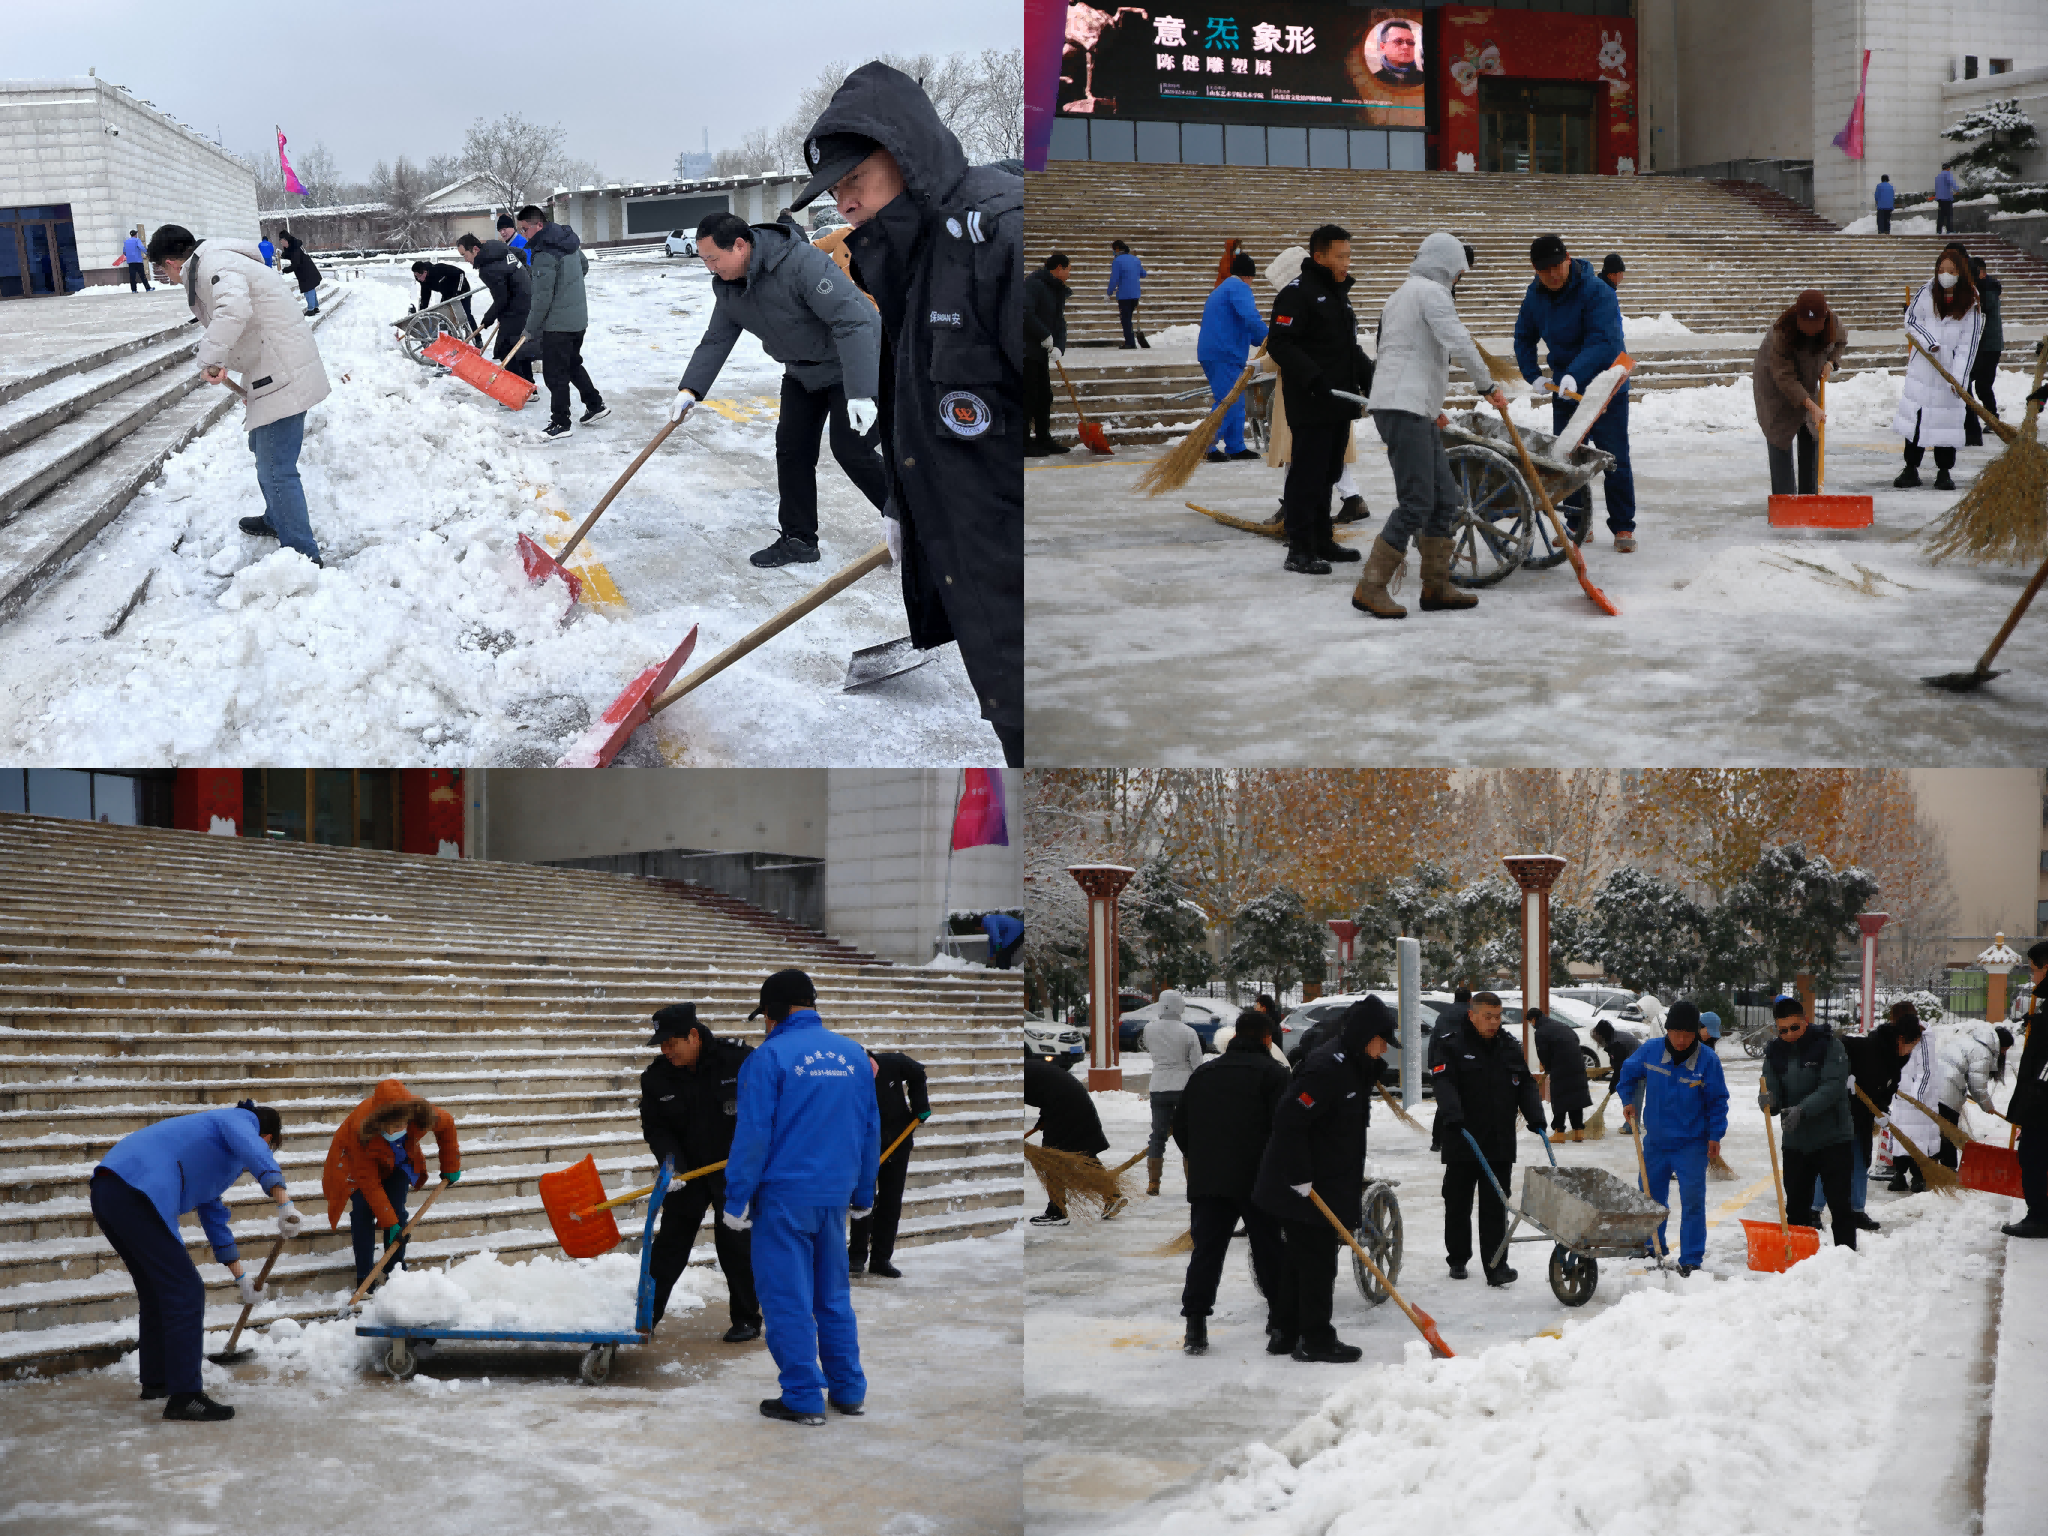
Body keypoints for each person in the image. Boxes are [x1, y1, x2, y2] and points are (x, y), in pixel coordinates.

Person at [791, 61, 1024, 767]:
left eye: (852, 183)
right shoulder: (911, 262)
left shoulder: (1000, 241)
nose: (843, 204)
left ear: (903, 157)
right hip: (985, 583)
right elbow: (923, 408)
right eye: (834, 191)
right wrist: (903, 498)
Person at [673, 211, 885, 568]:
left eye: (714, 258)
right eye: (704, 259)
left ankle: (918, 525)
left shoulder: (801, 263)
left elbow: (854, 321)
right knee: (791, 449)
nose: (710, 267)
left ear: (740, 245)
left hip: (854, 362)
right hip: (802, 371)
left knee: (852, 449)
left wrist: (862, 390)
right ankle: (799, 539)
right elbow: (717, 338)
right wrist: (690, 389)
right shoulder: (728, 285)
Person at [720, 969, 880, 1425]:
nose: (764, 1026)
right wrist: (864, 1192)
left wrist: (736, 1201)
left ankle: (804, 1396)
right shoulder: (853, 1056)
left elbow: (753, 1137)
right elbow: (871, 1129)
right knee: (832, 1296)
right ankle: (848, 1389)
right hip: (833, 1194)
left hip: (784, 1197)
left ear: (773, 1011)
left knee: (787, 1298)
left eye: (764, 1017)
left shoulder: (767, 1059)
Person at [91, 1101, 299, 1421]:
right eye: (267, 1145)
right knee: (186, 1290)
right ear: (266, 1137)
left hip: (111, 1190)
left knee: (156, 1290)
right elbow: (254, 1149)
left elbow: (214, 1217)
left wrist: (241, 1277)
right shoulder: (238, 1120)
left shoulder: (215, 1156)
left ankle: (158, 1380)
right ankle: (185, 1395)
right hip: (137, 1189)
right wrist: (283, 1202)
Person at [146, 224, 329, 565]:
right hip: (272, 364)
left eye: (160, 269)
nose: (166, 276)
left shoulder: (214, 266)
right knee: (262, 446)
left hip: (282, 371)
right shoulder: (214, 261)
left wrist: (211, 357)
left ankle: (302, 556)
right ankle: (278, 518)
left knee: (277, 467)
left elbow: (234, 309)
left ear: (170, 263)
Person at [1356, 232, 1507, 616]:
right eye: (1458, 273)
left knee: (1446, 499)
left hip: (1410, 407)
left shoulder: (1401, 294)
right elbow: (1458, 341)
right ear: (1447, 266)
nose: (1458, 281)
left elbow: (1405, 352)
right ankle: (1371, 586)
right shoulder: (1431, 293)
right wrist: (1487, 384)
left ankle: (1436, 586)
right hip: (1403, 408)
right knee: (1417, 501)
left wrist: (1428, 405)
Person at [1254, 997, 1398, 1362]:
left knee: (1297, 1261)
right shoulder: (1327, 1068)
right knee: (1318, 1264)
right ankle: (1316, 1340)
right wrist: (1301, 1178)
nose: (1385, 1049)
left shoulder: (1352, 1063)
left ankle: (1285, 1333)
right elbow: (1289, 1119)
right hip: (1304, 1183)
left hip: (1324, 1178)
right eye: (1382, 1041)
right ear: (1366, 1036)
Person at [1174, 1009, 1295, 1356]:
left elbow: (1181, 1127)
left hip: (1209, 1180)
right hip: (1258, 1179)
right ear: (1268, 1039)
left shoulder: (1203, 1074)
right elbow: (1284, 1129)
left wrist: (1202, 1159)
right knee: (1269, 1250)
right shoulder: (1275, 1074)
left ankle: (1195, 1325)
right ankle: (1279, 1320)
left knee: (1206, 1252)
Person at [638, 1004, 762, 1340]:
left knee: (736, 1244)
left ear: (693, 1036)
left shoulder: (738, 1061)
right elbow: (656, 1128)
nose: (665, 1051)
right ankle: (646, 1317)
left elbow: (766, 1108)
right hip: (688, 1174)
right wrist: (673, 1165)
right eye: (660, 1045)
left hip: (732, 1171)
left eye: (670, 1043)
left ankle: (747, 1318)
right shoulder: (656, 1078)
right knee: (669, 1247)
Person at [1515, 233, 1636, 552]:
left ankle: (1623, 526)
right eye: (1544, 270)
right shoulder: (1535, 295)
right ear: (1535, 270)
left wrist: (1574, 374)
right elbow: (1523, 336)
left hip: (1606, 385)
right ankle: (1576, 523)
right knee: (1566, 455)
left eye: (1557, 266)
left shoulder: (1598, 291)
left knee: (1613, 457)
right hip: (1566, 388)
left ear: (1568, 259)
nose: (1553, 275)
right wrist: (1533, 375)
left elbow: (1605, 342)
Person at [1267, 224, 1375, 577]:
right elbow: (1282, 344)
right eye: (1340, 256)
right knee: (1307, 475)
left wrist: (1374, 380)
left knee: (1328, 472)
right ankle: (1298, 548)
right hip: (1312, 401)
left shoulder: (1337, 295)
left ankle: (1322, 539)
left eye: (1348, 255)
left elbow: (1349, 350)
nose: (1347, 262)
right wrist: (1313, 378)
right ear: (1319, 257)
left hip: (1338, 402)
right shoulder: (1296, 294)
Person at [1429, 990, 1544, 1284]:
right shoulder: (1452, 1045)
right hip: (1463, 1138)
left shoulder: (1509, 1047)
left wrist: (1536, 1117)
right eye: (1488, 1017)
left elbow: (1525, 1084)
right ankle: (1458, 1258)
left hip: (1498, 1141)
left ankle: (1496, 1266)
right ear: (1473, 1015)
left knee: (1496, 1205)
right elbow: (1443, 1082)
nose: (1494, 1022)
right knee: (1458, 1204)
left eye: (1498, 1016)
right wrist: (1453, 1114)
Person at [1615, 1002, 1728, 1275]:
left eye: (1687, 1034)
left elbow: (1717, 1101)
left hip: (1691, 1144)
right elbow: (1627, 1073)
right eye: (1675, 1033)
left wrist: (1715, 1135)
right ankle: (1652, 1245)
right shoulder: (1651, 1050)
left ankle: (1691, 1257)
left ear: (1696, 1034)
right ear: (1667, 1031)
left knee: (1692, 1200)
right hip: (1655, 1142)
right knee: (1651, 1198)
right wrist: (1628, 1100)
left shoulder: (1707, 1060)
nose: (1680, 1040)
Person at [321, 1080, 458, 1288]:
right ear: (379, 1122)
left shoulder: (419, 1114)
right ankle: (365, 1277)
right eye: (393, 1127)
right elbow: (369, 1182)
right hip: (355, 1164)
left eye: (403, 1124)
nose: (399, 1129)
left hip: (398, 1161)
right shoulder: (361, 1131)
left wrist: (450, 1164)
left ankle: (395, 1271)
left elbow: (446, 1124)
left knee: (398, 1212)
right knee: (363, 1212)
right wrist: (389, 1222)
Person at [1760, 996, 1857, 1248]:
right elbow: (1772, 1087)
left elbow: (1833, 1086)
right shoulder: (1773, 1053)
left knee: (1840, 1205)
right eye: (1783, 1030)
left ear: (1805, 1021)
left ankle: (1846, 1257)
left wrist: (1802, 1110)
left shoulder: (1828, 1045)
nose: (1789, 1034)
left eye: (1794, 1027)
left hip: (1833, 1138)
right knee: (1796, 1207)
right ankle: (1801, 1260)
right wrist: (1768, 1100)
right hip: (1796, 1141)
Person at [516, 205, 608, 445]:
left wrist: (531, 328)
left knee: (555, 373)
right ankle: (594, 404)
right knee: (572, 363)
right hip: (578, 320)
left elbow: (541, 298)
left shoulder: (544, 252)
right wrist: (569, 289)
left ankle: (560, 422)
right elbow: (583, 266)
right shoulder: (568, 241)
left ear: (539, 225)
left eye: (525, 229)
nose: (524, 234)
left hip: (558, 324)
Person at [1893, 245, 1983, 491]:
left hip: (1950, 372)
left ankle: (1944, 472)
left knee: (1947, 421)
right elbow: (1911, 320)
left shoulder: (1971, 302)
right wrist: (1929, 342)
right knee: (1917, 419)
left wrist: (1959, 379)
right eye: (1941, 269)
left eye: (1951, 270)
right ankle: (1911, 468)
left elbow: (1968, 345)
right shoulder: (1926, 292)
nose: (1945, 274)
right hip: (1923, 368)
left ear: (1960, 272)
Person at [1753, 289, 1849, 497]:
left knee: (1810, 429)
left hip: (1806, 379)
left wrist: (1831, 362)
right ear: (1798, 319)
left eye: (1817, 327)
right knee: (1780, 434)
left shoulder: (1832, 322)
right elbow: (1784, 378)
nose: (1812, 332)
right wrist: (1810, 404)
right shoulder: (1782, 332)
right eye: (1806, 326)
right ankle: (1785, 498)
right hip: (1773, 385)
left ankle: (1809, 497)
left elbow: (1841, 340)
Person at [849, 1046, 930, 1277]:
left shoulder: (893, 1063)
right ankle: (856, 1256)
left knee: (890, 1201)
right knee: (861, 1201)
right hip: (864, 1146)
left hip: (898, 1140)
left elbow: (918, 1073)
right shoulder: (848, 1078)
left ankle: (881, 1258)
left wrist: (920, 1105)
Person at [1024, 1052, 1113, 1225]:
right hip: (1072, 1099)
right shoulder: (1023, 1069)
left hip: (1063, 1105)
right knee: (1083, 1151)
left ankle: (1057, 1211)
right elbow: (1048, 1088)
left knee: (1051, 1159)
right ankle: (1112, 1195)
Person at [1198, 251, 1269, 463]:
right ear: (1248, 276)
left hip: (1219, 352)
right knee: (1229, 401)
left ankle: (1235, 446)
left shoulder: (1225, 288)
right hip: (1223, 354)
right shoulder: (1239, 287)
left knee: (1234, 400)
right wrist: (1270, 338)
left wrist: (1261, 339)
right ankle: (1206, 445)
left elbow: (1241, 322)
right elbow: (1250, 316)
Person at [2002, 940, 2048, 1238]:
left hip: (2043, 1102)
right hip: (2039, 1098)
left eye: (2034, 970)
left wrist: (2032, 1100)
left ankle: (2039, 1217)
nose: (2032, 977)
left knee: (2033, 1154)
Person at [1143, 990, 1206, 1197]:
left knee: (1157, 1135)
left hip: (1158, 1086)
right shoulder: (1188, 1032)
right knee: (1189, 1136)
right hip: (1184, 1088)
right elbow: (1197, 1064)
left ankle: (1153, 1183)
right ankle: (1193, 1182)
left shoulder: (1149, 1029)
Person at [455, 231, 534, 385]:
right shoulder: (496, 248)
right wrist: (522, 278)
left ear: (476, 249)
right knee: (516, 347)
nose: (465, 260)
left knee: (505, 348)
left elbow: (501, 299)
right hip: (526, 300)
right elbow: (521, 255)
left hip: (517, 306)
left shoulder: (488, 269)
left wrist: (488, 318)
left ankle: (519, 388)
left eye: (465, 255)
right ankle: (529, 386)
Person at [1024, 252, 1073, 456]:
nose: (1070, 273)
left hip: (1040, 352)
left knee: (1044, 396)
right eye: (1069, 269)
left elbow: (1059, 321)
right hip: (1025, 350)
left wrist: (1059, 345)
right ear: (1059, 268)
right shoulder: (1034, 285)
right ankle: (1023, 442)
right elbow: (1025, 312)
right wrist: (1043, 335)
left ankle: (1043, 438)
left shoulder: (1056, 289)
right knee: (1028, 397)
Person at [1531, 1005, 1592, 1140]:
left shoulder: (1541, 1031)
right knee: (1575, 1098)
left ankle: (1559, 1133)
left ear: (1534, 1019)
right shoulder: (1561, 1025)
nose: (1532, 1025)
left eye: (1531, 1022)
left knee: (1559, 1099)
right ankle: (1578, 1132)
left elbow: (1543, 1052)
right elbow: (1576, 1039)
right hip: (1577, 1065)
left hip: (1561, 1067)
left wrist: (1547, 1067)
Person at [1965, 255, 2004, 447]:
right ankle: (1990, 418)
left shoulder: (1986, 290)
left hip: (1987, 346)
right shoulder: (1986, 288)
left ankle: (1987, 419)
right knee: (1980, 384)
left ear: (1981, 272)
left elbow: (1981, 315)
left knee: (1973, 382)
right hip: (1988, 345)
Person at [411, 257, 474, 333]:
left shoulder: (439, 269)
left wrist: (458, 292)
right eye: (416, 277)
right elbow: (425, 297)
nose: (418, 279)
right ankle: (451, 336)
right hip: (447, 294)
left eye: (419, 276)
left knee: (466, 314)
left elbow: (461, 273)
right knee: (444, 315)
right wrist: (422, 312)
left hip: (463, 290)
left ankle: (477, 338)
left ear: (425, 272)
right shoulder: (423, 281)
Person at [1106, 238, 1147, 348]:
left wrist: (1109, 293)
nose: (1113, 252)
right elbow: (1144, 274)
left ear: (1118, 249)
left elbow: (1114, 279)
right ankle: (1130, 341)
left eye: (1114, 250)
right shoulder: (1136, 259)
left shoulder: (1117, 261)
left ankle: (1130, 343)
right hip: (1135, 295)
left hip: (1124, 295)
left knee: (1126, 319)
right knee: (1127, 318)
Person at [275, 230, 321, 315]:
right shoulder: (294, 244)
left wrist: (284, 270)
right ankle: (315, 307)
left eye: (282, 242)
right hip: (307, 270)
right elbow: (291, 254)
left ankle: (311, 310)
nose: (282, 244)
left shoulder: (295, 247)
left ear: (286, 240)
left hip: (306, 271)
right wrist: (283, 255)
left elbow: (295, 263)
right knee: (311, 289)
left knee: (308, 289)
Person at [1371, 18, 1424, 86]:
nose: (1406, 46)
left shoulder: (1423, 78)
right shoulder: (1372, 80)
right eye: (1398, 41)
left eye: (1410, 42)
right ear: (1383, 46)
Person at [119, 227, 152, 292]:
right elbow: (141, 247)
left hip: (130, 262)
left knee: (132, 276)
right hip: (138, 261)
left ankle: (134, 290)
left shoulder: (126, 241)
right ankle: (148, 288)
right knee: (142, 275)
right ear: (135, 234)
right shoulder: (137, 240)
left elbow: (124, 252)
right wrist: (147, 252)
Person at [1933, 163, 1958, 234]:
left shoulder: (1938, 176)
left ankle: (1938, 230)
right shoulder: (1947, 174)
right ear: (1948, 168)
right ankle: (1949, 230)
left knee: (1941, 215)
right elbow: (1952, 182)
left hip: (1940, 199)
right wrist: (1957, 190)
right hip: (1947, 198)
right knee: (1948, 215)